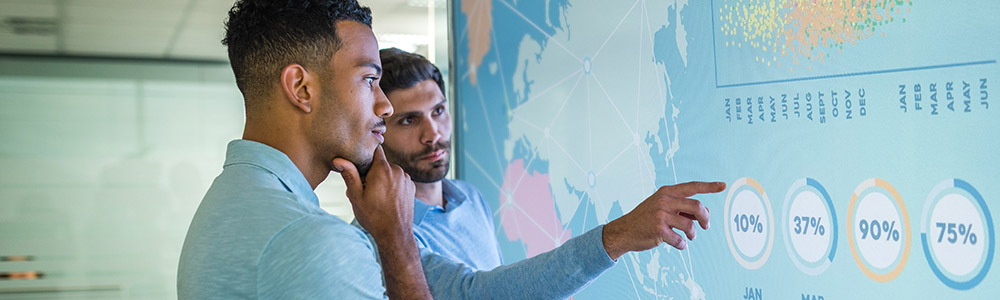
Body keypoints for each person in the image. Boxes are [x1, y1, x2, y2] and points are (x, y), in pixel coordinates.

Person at [178, 1, 726, 299]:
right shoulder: (314, 241)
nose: (385, 108)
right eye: (369, 79)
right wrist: (393, 238)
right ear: (302, 88)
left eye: (436, 112)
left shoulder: (227, 206)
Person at [376, 48, 501, 270]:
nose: (433, 134)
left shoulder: (471, 198)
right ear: (377, 132)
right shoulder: (381, 234)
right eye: (409, 120)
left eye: (438, 111)